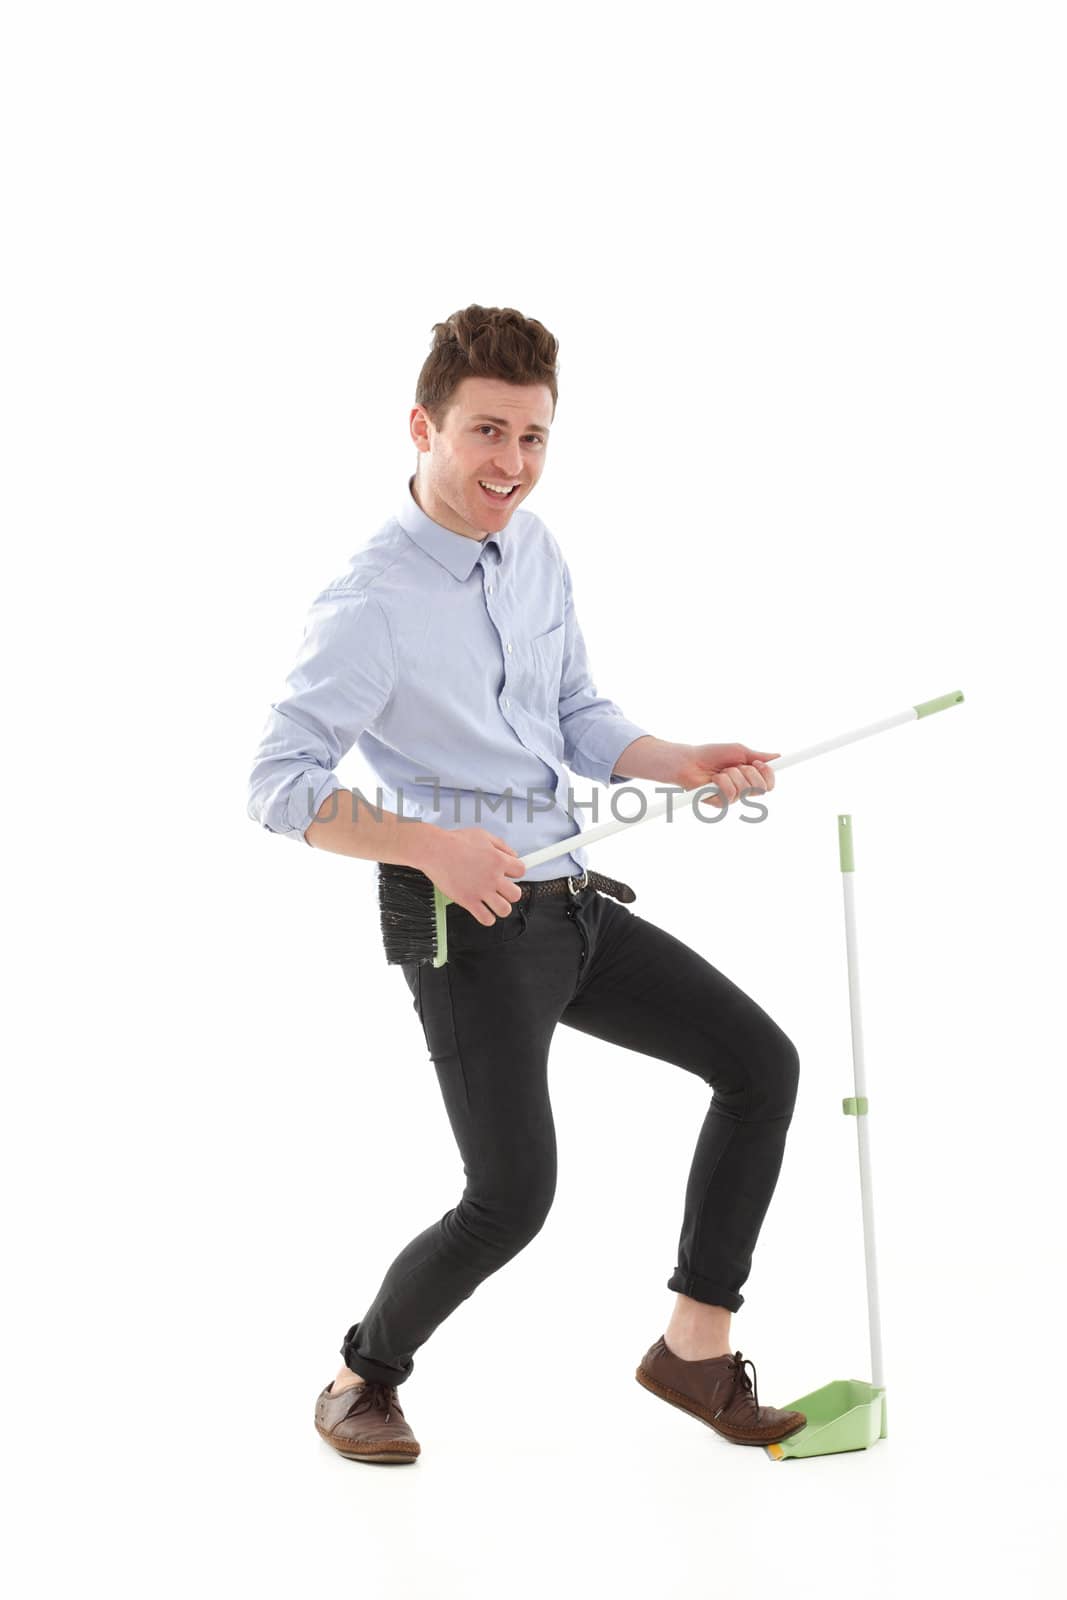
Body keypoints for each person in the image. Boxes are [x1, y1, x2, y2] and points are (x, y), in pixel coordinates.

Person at [246, 304, 807, 1465]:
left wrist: (676, 757)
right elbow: (275, 782)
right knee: (510, 1196)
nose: (511, 463)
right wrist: (425, 843)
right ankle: (360, 1377)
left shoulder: (534, 547)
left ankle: (693, 1350)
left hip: (571, 903)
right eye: (486, 432)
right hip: (469, 925)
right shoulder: (370, 602)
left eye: (534, 437)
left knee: (759, 1064)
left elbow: (575, 712)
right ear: (423, 426)